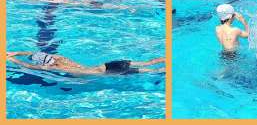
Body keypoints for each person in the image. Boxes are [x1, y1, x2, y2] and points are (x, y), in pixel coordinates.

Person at [6, 51, 165, 75]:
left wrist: (11, 59)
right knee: (148, 62)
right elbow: (33, 53)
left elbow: (28, 65)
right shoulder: (59, 57)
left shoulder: (50, 67)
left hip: (105, 72)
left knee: (151, 71)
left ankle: (164, 69)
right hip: (109, 64)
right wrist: (16, 52)